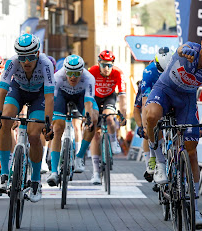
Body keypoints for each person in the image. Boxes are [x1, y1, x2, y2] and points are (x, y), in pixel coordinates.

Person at [144, 23, 202, 228]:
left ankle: (195, 208)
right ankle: (158, 160)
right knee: (152, 116)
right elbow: (181, 49)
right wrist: (184, 51)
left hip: (186, 101)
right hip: (164, 90)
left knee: (191, 152)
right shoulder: (190, 49)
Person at [0, 34, 55, 203]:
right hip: (18, 91)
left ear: (37, 53)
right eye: (22, 57)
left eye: (29, 57)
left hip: (39, 95)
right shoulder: (12, 62)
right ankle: (4, 174)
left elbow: (50, 98)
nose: (25, 61)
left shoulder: (46, 64)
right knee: (5, 120)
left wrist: (48, 124)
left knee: (34, 134)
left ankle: (35, 181)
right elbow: (2, 92)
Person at [46, 54, 98, 187]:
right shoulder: (57, 77)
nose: (73, 76)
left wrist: (87, 118)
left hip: (81, 97)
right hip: (62, 96)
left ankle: (79, 156)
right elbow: (52, 99)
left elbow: (88, 103)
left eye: (76, 73)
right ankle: (53, 172)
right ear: (64, 70)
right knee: (57, 128)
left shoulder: (89, 78)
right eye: (69, 73)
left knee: (93, 120)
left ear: (82, 71)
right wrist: (50, 119)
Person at [134, 47, 173, 181]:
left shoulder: (175, 66)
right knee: (152, 123)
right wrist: (144, 126)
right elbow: (145, 104)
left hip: (168, 94)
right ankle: (152, 158)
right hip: (153, 96)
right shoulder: (149, 72)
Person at [88, 50, 127, 185]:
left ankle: (113, 141)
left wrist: (123, 113)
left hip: (109, 97)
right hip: (95, 98)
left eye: (109, 65)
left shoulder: (118, 73)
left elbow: (122, 96)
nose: (106, 68)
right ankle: (96, 173)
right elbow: (86, 93)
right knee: (95, 135)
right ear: (99, 63)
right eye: (104, 65)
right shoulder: (92, 71)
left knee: (110, 117)